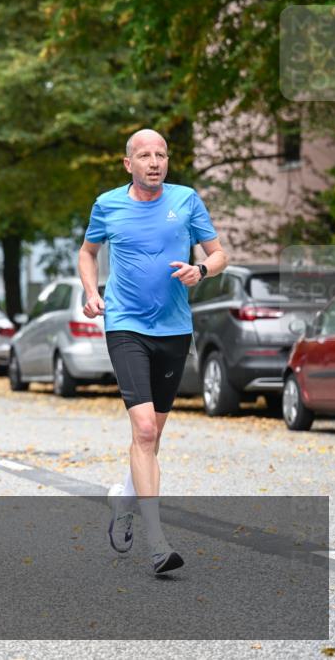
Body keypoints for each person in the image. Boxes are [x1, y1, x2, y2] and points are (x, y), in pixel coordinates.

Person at [78, 128, 228, 575]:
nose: (154, 162)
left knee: (153, 436)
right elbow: (88, 253)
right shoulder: (108, 204)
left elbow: (219, 254)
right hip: (124, 324)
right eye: (144, 155)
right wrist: (91, 292)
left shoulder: (185, 200)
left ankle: (123, 500)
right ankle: (158, 543)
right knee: (143, 429)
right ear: (129, 164)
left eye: (161, 154)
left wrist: (200, 270)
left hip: (174, 328)